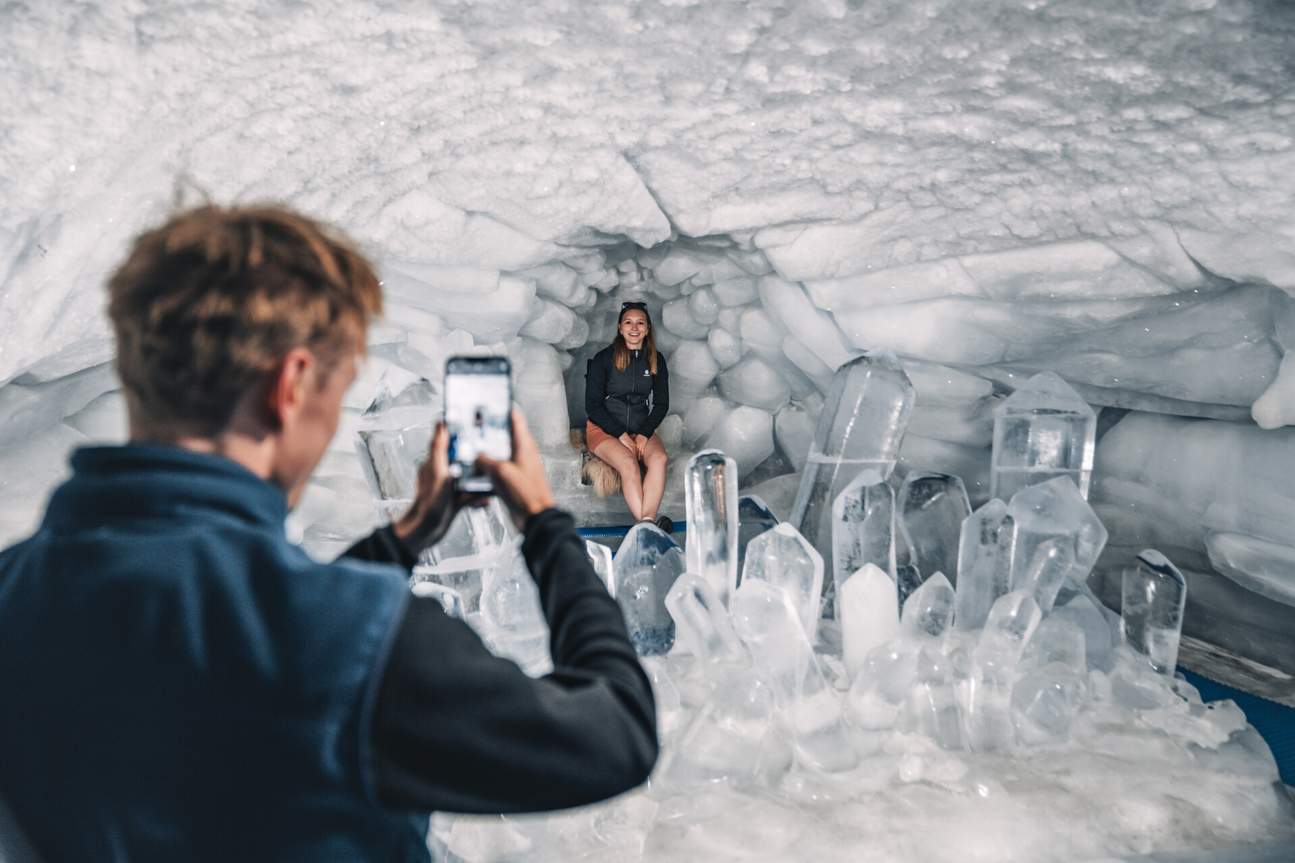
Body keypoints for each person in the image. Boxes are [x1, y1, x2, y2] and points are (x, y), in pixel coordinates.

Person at [0, 205, 657, 862]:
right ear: (289, 387)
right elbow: (614, 734)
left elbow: (256, 624)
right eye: (335, 392)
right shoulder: (347, 637)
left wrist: (404, 537)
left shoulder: (16, 584)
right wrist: (543, 523)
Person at [584, 301, 672, 532]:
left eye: (640, 323)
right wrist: (620, 435)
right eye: (628, 322)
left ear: (648, 328)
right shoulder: (604, 358)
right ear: (619, 328)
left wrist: (643, 434)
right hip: (604, 429)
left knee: (660, 459)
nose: (634, 328)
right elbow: (592, 406)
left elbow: (662, 404)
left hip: (640, 426)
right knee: (628, 463)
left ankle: (646, 525)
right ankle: (650, 526)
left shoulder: (656, 359)